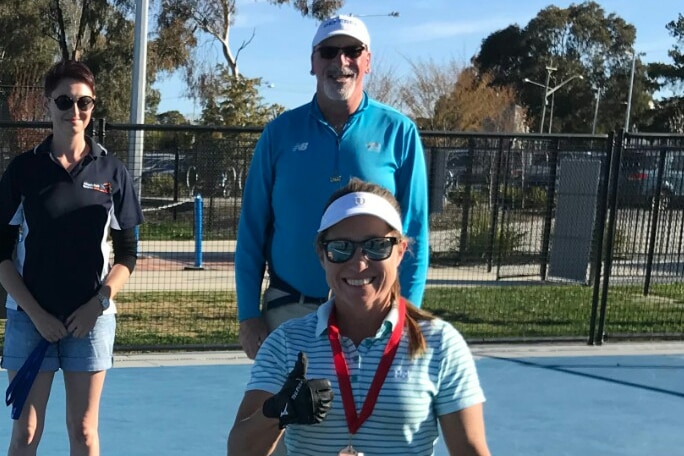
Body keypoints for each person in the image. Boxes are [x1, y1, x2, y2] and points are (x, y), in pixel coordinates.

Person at [228, 179, 490, 456]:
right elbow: (239, 450)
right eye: (341, 247)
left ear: (400, 252)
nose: (359, 262)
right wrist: (277, 410)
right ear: (322, 255)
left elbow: (470, 449)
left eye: (377, 246)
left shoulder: (439, 344)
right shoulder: (286, 342)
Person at [236, 14, 430, 361]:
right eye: (328, 52)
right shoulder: (279, 134)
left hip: (373, 316)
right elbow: (252, 230)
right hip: (288, 313)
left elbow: (414, 232)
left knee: (370, 416)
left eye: (352, 50)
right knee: (283, 416)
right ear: (313, 62)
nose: (340, 61)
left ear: (367, 60)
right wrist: (248, 315)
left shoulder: (399, 132)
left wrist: (407, 312)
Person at [0, 60, 143, 455]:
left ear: (93, 107)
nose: (74, 111)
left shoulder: (112, 171)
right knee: (25, 433)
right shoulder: (24, 170)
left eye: (84, 102)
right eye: (64, 101)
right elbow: (1, 255)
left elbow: (128, 254)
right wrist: (36, 314)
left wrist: (97, 306)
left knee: (83, 432)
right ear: (48, 105)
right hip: (30, 322)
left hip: (91, 323)